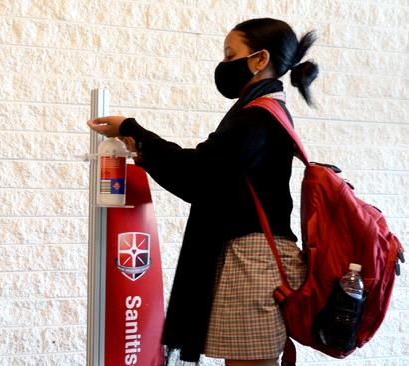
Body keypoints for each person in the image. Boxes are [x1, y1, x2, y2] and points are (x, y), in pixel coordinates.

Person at [88, 18, 318, 366]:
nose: (224, 64)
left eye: (231, 54)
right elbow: (208, 175)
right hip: (252, 260)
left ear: (259, 59)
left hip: (252, 264)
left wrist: (133, 130)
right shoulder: (263, 112)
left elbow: (197, 174)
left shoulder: (258, 117)